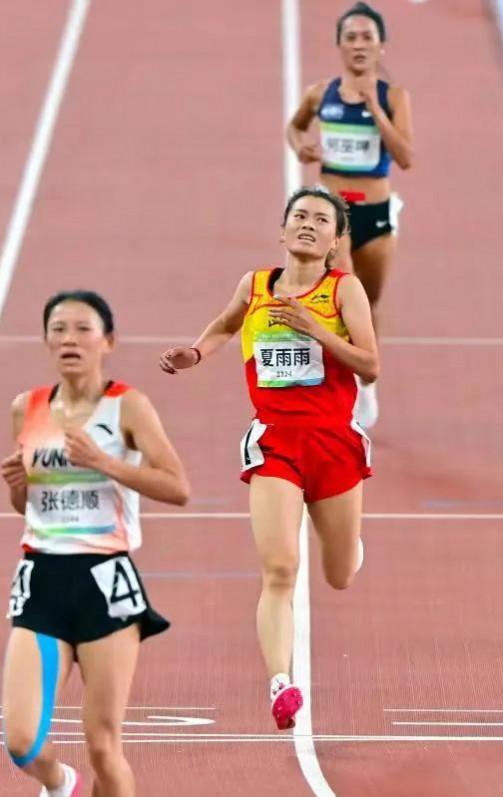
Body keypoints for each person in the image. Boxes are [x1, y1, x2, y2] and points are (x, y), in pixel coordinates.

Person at [160, 187, 378, 731]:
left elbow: (370, 366)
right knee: (279, 569)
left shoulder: (343, 289)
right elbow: (227, 325)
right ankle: (280, 683)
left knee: (340, 574)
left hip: (333, 444)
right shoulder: (255, 286)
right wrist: (196, 352)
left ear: (334, 240)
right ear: (282, 232)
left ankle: (350, 548)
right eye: (298, 216)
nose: (307, 224)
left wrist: (316, 330)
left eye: (320, 219)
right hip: (276, 441)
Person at [0, 290, 190, 797]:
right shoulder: (28, 409)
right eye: (58, 328)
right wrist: (18, 486)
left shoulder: (127, 406)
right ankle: (60, 784)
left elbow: (177, 487)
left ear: (108, 340)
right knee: (21, 739)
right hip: (41, 579)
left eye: (83, 329)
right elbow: (27, 506)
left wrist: (103, 462)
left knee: (104, 746)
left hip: (104, 581)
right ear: (45, 339)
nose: (69, 339)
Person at [286, 1, 413, 428]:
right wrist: (300, 145)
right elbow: (294, 126)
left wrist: (376, 110)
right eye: (351, 37)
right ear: (340, 45)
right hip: (332, 213)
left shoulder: (394, 97)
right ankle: (343, 381)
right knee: (345, 288)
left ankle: (368, 385)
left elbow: (406, 157)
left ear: (381, 46)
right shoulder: (321, 93)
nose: (359, 44)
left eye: (367, 37)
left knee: (370, 303)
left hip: (376, 211)